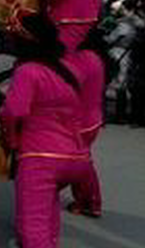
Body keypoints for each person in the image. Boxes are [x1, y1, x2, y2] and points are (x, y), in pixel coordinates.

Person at [0, 12, 93, 248]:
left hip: (41, 157)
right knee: (48, 216)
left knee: (33, 230)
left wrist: (11, 139)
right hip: (76, 157)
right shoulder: (70, 70)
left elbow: (13, 112)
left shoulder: (28, 71)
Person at [63, 29, 111, 219]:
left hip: (79, 121)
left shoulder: (78, 59)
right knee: (83, 161)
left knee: (81, 164)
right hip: (92, 118)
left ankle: (90, 202)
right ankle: (88, 201)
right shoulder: (94, 58)